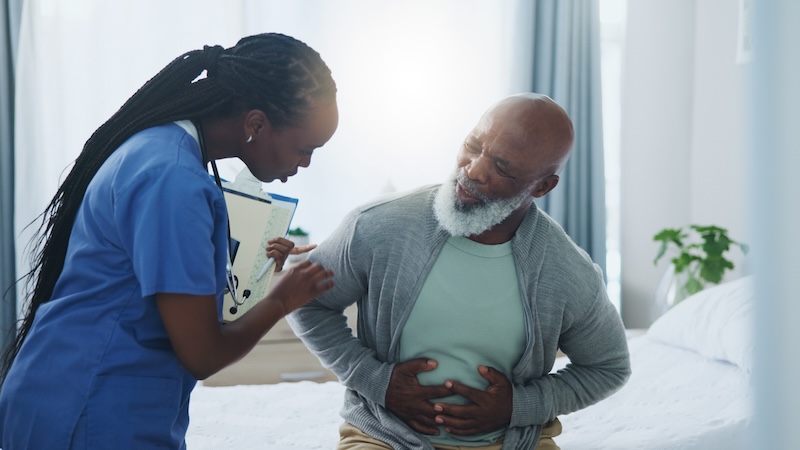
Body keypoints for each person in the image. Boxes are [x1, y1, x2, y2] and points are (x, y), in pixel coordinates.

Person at [0, 33, 337, 449]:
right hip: (87, 407)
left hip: (84, 393)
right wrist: (281, 301)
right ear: (255, 124)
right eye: (306, 149)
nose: (305, 164)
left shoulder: (165, 151)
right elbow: (203, 354)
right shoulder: (174, 180)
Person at [287, 93, 631, 450]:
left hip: (515, 442)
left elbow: (609, 367)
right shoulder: (378, 226)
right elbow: (304, 302)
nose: (473, 170)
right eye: (473, 145)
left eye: (502, 166)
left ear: (542, 186)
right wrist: (377, 381)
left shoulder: (567, 271)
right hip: (384, 436)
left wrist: (519, 406)